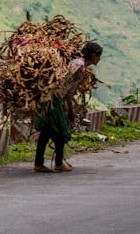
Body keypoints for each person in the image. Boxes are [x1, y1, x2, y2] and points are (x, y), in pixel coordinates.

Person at [33, 42, 102, 173]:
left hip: (55, 98)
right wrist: (53, 96)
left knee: (47, 130)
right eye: (99, 56)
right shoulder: (79, 65)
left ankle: (40, 163)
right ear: (93, 55)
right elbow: (62, 79)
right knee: (60, 131)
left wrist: (70, 109)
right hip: (53, 98)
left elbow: (69, 91)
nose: (99, 59)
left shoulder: (81, 66)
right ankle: (56, 163)